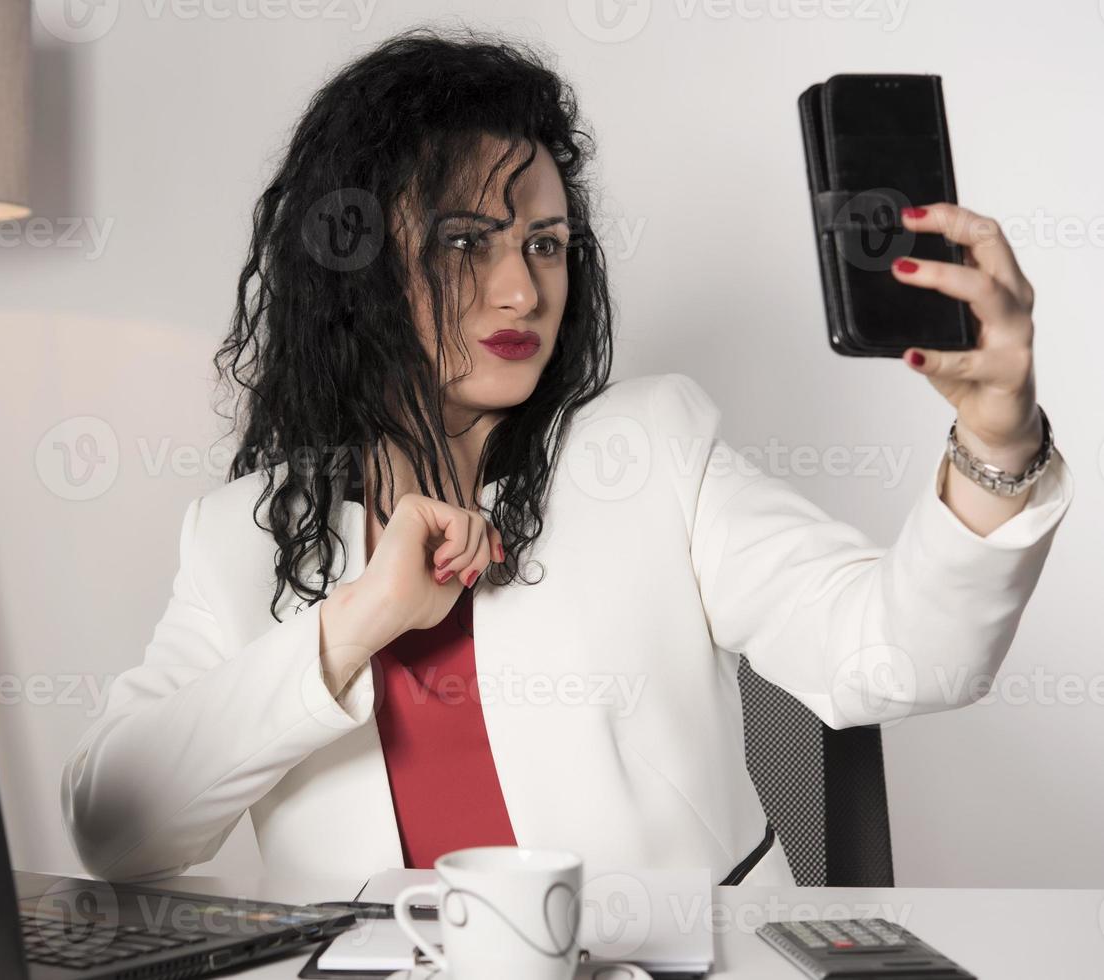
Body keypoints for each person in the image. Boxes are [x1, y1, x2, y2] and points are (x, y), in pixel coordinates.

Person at [61, 27, 1073, 888]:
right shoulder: (242, 534)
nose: (519, 291)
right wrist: (359, 617)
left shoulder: (646, 449)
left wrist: (996, 439)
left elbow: (904, 655)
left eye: (543, 243)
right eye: (466, 242)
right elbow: (115, 823)